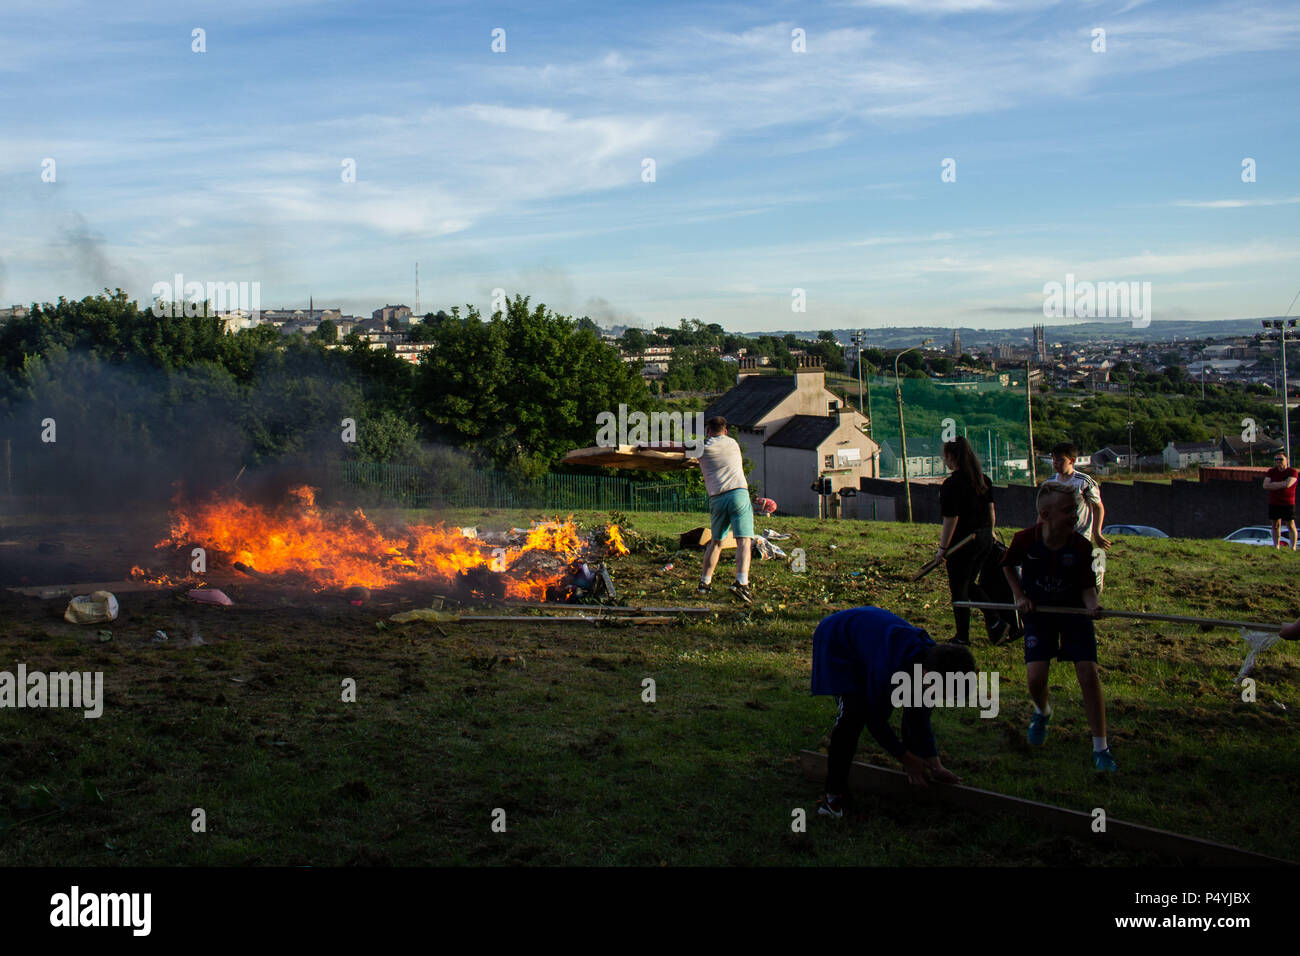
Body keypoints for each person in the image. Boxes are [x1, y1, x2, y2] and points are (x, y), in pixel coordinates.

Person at [810, 605, 973, 818]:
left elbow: (918, 717)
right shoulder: (890, 669)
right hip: (838, 639)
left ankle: (913, 776)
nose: (937, 696)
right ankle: (833, 799)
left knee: (913, 705)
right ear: (926, 675)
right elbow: (874, 721)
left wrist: (934, 763)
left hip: (869, 637)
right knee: (853, 716)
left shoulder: (936, 664)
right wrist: (905, 758)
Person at [1002, 481, 1116, 772]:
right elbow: (1007, 566)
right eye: (1067, 511)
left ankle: (1101, 748)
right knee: (1036, 678)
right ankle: (1042, 711)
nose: (1074, 516)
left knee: (1088, 674)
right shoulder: (1025, 540)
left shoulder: (1081, 546)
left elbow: (1088, 588)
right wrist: (1020, 596)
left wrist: (1092, 606)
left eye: (1074, 510)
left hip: (1074, 614)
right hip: (1038, 615)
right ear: (1045, 514)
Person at [937, 437, 996, 646]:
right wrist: (990, 532)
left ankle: (962, 637)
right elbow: (991, 511)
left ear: (953, 457)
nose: (945, 460)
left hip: (963, 544)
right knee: (969, 584)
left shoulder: (952, 484)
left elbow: (951, 519)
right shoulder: (983, 479)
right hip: (984, 538)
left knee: (959, 590)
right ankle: (996, 621)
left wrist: (943, 548)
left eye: (946, 456)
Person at [689, 416, 754, 603]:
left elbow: (674, 447)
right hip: (738, 494)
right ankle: (741, 583)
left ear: (707, 431)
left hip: (717, 498)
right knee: (743, 541)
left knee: (716, 542)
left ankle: (704, 583)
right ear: (725, 431)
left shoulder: (703, 447)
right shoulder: (733, 443)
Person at [1049, 442, 1110, 552]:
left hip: (1080, 538)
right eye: (1054, 460)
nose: (1056, 463)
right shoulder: (1049, 482)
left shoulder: (1084, 481)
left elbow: (1097, 507)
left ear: (1071, 461)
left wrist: (1097, 534)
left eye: (1060, 460)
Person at [1262, 452, 1298, 551]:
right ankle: (1276, 546)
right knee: (1275, 524)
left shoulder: (1292, 472)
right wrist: (1281, 484)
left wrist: (1273, 485)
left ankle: (1293, 547)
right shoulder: (1271, 471)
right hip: (1274, 502)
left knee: (1290, 524)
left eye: (1281, 459)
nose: (1278, 461)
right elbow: (1265, 485)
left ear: (1287, 460)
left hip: (1288, 503)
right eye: (1276, 460)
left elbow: (1288, 484)